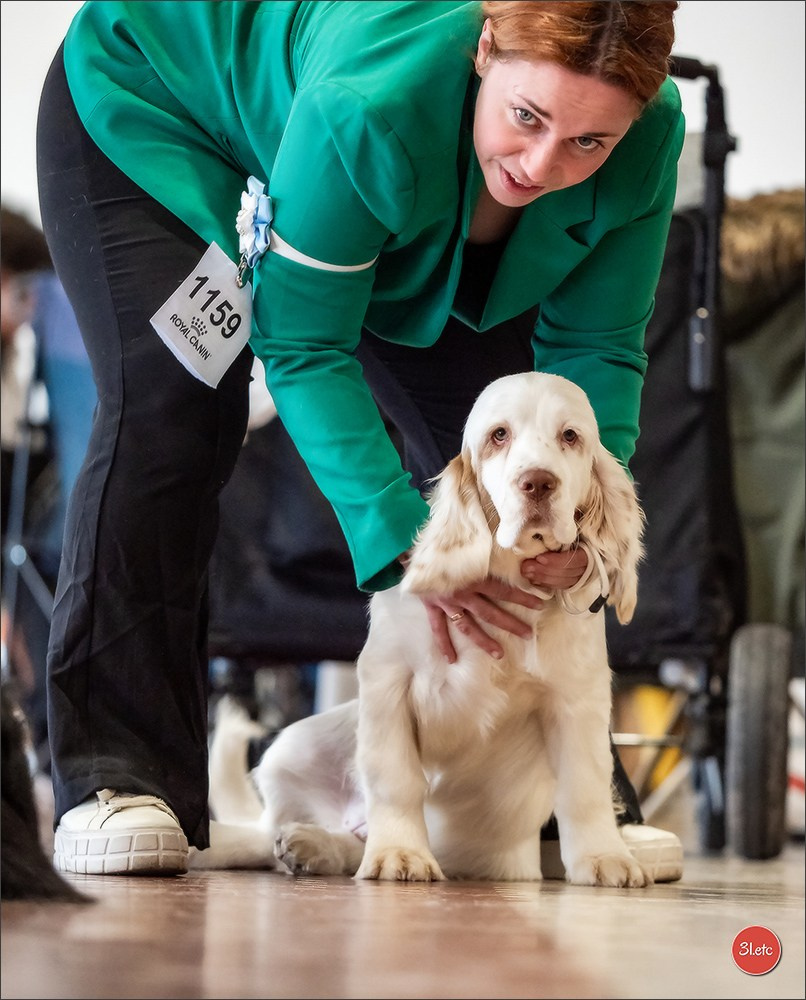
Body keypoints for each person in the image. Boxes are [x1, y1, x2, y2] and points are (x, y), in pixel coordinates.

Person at [36, 0, 685, 878]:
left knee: (510, 442)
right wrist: (405, 551)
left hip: (376, 179)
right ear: (484, 49)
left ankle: (557, 792)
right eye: (526, 117)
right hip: (160, 99)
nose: (541, 164)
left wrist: (586, 527)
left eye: (588, 143)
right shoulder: (371, 106)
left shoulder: (645, 135)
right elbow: (303, 343)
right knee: (178, 399)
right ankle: (116, 771)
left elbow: (593, 356)